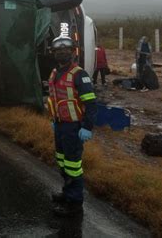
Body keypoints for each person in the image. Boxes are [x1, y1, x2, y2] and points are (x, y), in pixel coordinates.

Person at [47, 36, 97, 216]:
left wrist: (87, 127)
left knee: (73, 164)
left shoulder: (79, 74)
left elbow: (91, 104)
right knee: (62, 161)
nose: (62, 53)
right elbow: (54, 99)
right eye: (58, 50)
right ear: (53, 53)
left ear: (73, 51)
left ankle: (74, 203)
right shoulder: (55, 72)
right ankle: (67, 192)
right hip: (60, 125)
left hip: (74, 127)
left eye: (65, 50)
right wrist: (53, 120)